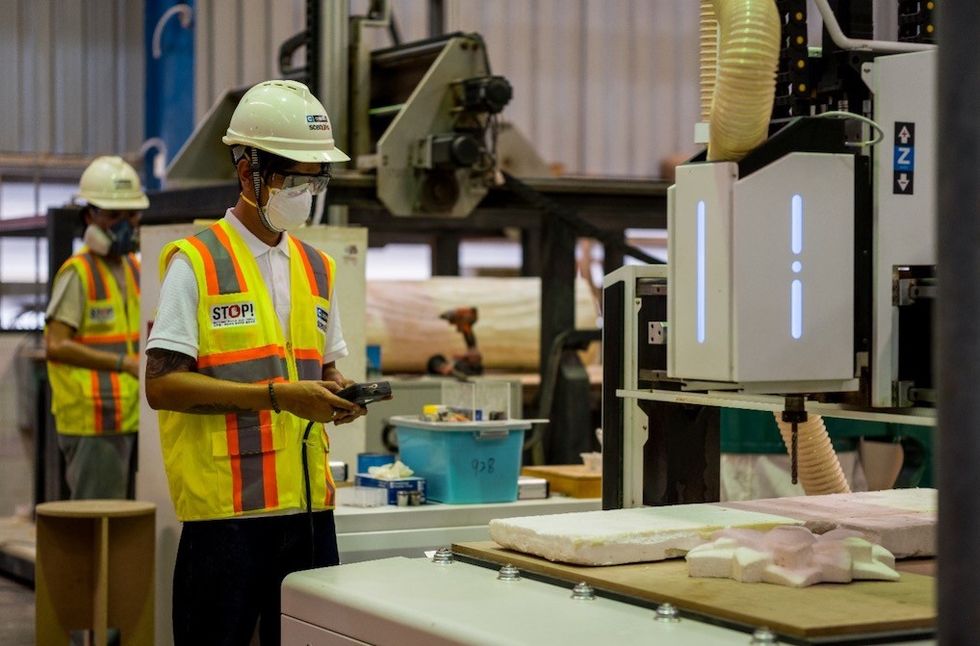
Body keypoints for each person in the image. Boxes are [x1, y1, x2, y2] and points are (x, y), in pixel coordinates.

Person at [144, 79, 366, 646]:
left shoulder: (318, 268)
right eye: (294, 179)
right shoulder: (196, 263)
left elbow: (324, 369)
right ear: (249, 173)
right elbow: (162, 387)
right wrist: (276, 396)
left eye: (316, 180)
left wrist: (338, 393)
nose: (306, 193)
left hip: (309, 511)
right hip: (227, 518)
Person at [45, 155, 147, 500]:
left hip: (127, 416)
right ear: (90, 216)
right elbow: (56, 344)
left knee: (120, 520)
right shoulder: (78, 273)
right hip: (92, 419)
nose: (126, 224)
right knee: (97, 517)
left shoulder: (134, 268)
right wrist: (123, 363)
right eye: (114, 215)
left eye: (131, 215)